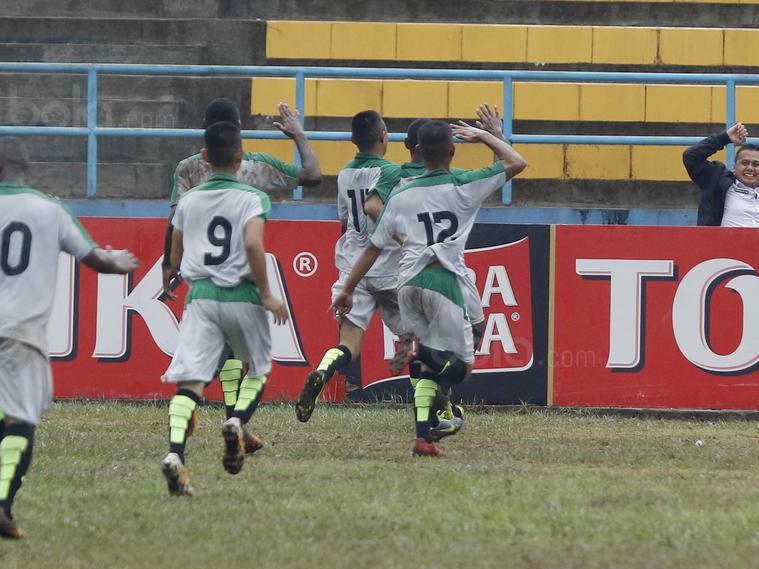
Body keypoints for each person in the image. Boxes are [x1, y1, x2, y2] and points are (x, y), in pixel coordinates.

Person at [0, 137, 140, 538]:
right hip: (21, 327)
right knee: (25, 417)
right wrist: (120, 262)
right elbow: (95, 260)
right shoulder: (50, 210)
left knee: (11, 405)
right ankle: (2, 507)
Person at [331, 120, 526, 456]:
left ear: (416, 151)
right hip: (443, 281)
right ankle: (428, 360)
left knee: (429, 364)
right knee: (460, 366)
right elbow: (515, 162)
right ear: (452, 150)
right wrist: (486, 136)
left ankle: (424, 437)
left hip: (405, 284)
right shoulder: (463, 184)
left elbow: (373, 248)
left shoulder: (401, 195)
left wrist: (347, 288)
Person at [161, 98, 320, 449]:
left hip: (203, 279)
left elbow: (175, 222)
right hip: (243, 277)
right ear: (239, 135)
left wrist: (168, 266)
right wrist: (299, 136)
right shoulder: (254, 166)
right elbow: (311, 176)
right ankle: (236, 421)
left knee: (205, 364)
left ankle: (186, 439)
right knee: (247, 360)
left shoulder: (189, 168)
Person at [159, 122, 289, 496]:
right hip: (243, 295)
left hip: (200, 296)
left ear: (203, 157)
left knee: (191, 381)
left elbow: (175, 253)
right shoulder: (252, 198)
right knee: (259, 369)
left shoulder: (188, 200)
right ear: (240, 156)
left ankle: (175, 455)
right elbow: (252, 244)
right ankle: (235, 421)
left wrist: (173, 275)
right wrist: (267, 293)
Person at [294, 110, 407, 424]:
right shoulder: (392, 171)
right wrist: (403, 239)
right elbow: (377, 210)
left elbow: (346, 221)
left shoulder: (344, 173)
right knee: (430, 336)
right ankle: (437, 411)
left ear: (352, 140)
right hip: (389, 268)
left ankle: (321, 371)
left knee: (348, 345)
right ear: (384, 135)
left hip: (352, 269)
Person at [682, 122, 759, 228]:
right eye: (744, 163)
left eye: (755, 164)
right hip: (721, 244)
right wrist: (723, 138)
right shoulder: (716, 181)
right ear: (734, 167)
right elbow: (691, 157)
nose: (750, 168)